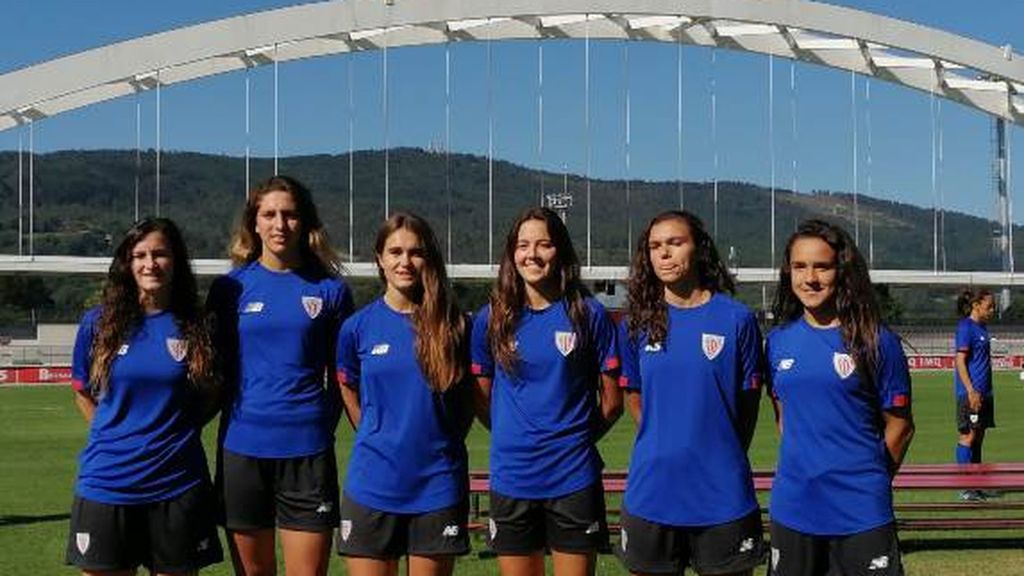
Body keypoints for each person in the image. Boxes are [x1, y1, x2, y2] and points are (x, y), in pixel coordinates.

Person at [207, 175, 353, 576]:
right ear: (253, 223)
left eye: (289, 215)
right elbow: (214, 375)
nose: (279, 224)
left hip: (307, 451)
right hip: (242, 448)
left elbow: (342, 376)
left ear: (304, 222)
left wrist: (323, 425)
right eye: (268, 214)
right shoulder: (229, 289)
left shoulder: (330, 290)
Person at [470, 207, 623, 576]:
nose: (532, 254)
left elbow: (613, 401)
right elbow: (480, 396)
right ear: (511, 254)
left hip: (573, 478)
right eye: (523, 245)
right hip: (513, 478)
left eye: (544, 244)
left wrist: (572, 440)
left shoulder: (588, 314)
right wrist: (515, 434)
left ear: (561, 252)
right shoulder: (489, 319)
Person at [67, 217, 223, 575]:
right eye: (140, 255)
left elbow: (213, 393)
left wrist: (174, 431)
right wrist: (113, 436)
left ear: (176, 261)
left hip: (177, 482)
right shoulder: (99, 323)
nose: (150, 264)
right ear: (128, 262)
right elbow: (82, 392)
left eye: (160, 254)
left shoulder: (198, 325)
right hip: (108, 483)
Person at [616, 210, 764, 576]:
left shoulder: (737, 319)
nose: (663, 253)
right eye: (654, 246)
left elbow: (746, 408)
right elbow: (633, 398)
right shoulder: (636, 323)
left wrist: (714, 446)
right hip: (652, 494)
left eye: (674, 242)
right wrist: (666, 439)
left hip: (723, 496)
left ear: (698, 249)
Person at [766, 219, 915, 576]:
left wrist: (868, 481)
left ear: (842, 271)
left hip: (861, 512)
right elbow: (784, 416)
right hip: (794, 509)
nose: (810, 278)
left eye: (822, 266)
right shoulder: (778, 341)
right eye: (800, 267)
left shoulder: (877, 342)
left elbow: (901, 427)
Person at [335, 212, 473, 576]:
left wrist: (438, 439)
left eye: (415, 252)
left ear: (428, 258)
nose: (405, 261)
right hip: (372, 485)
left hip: (437, 487)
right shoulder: (357, 328)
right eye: (395, 251)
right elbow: (346, 384)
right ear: (379, 258)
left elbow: (466, 404)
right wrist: (374, 432)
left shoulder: (456, 325)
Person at [953, 288, 997, 501]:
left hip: (985, 393)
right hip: (971, 394)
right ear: (976, 305)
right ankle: (965, 488)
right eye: (989, 306)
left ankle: (977, 486)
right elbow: (960, 360)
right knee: (968, 437)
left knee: (978, 438)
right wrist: (971, 391)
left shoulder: (982, 328)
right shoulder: (966, 327)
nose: (993, 309)